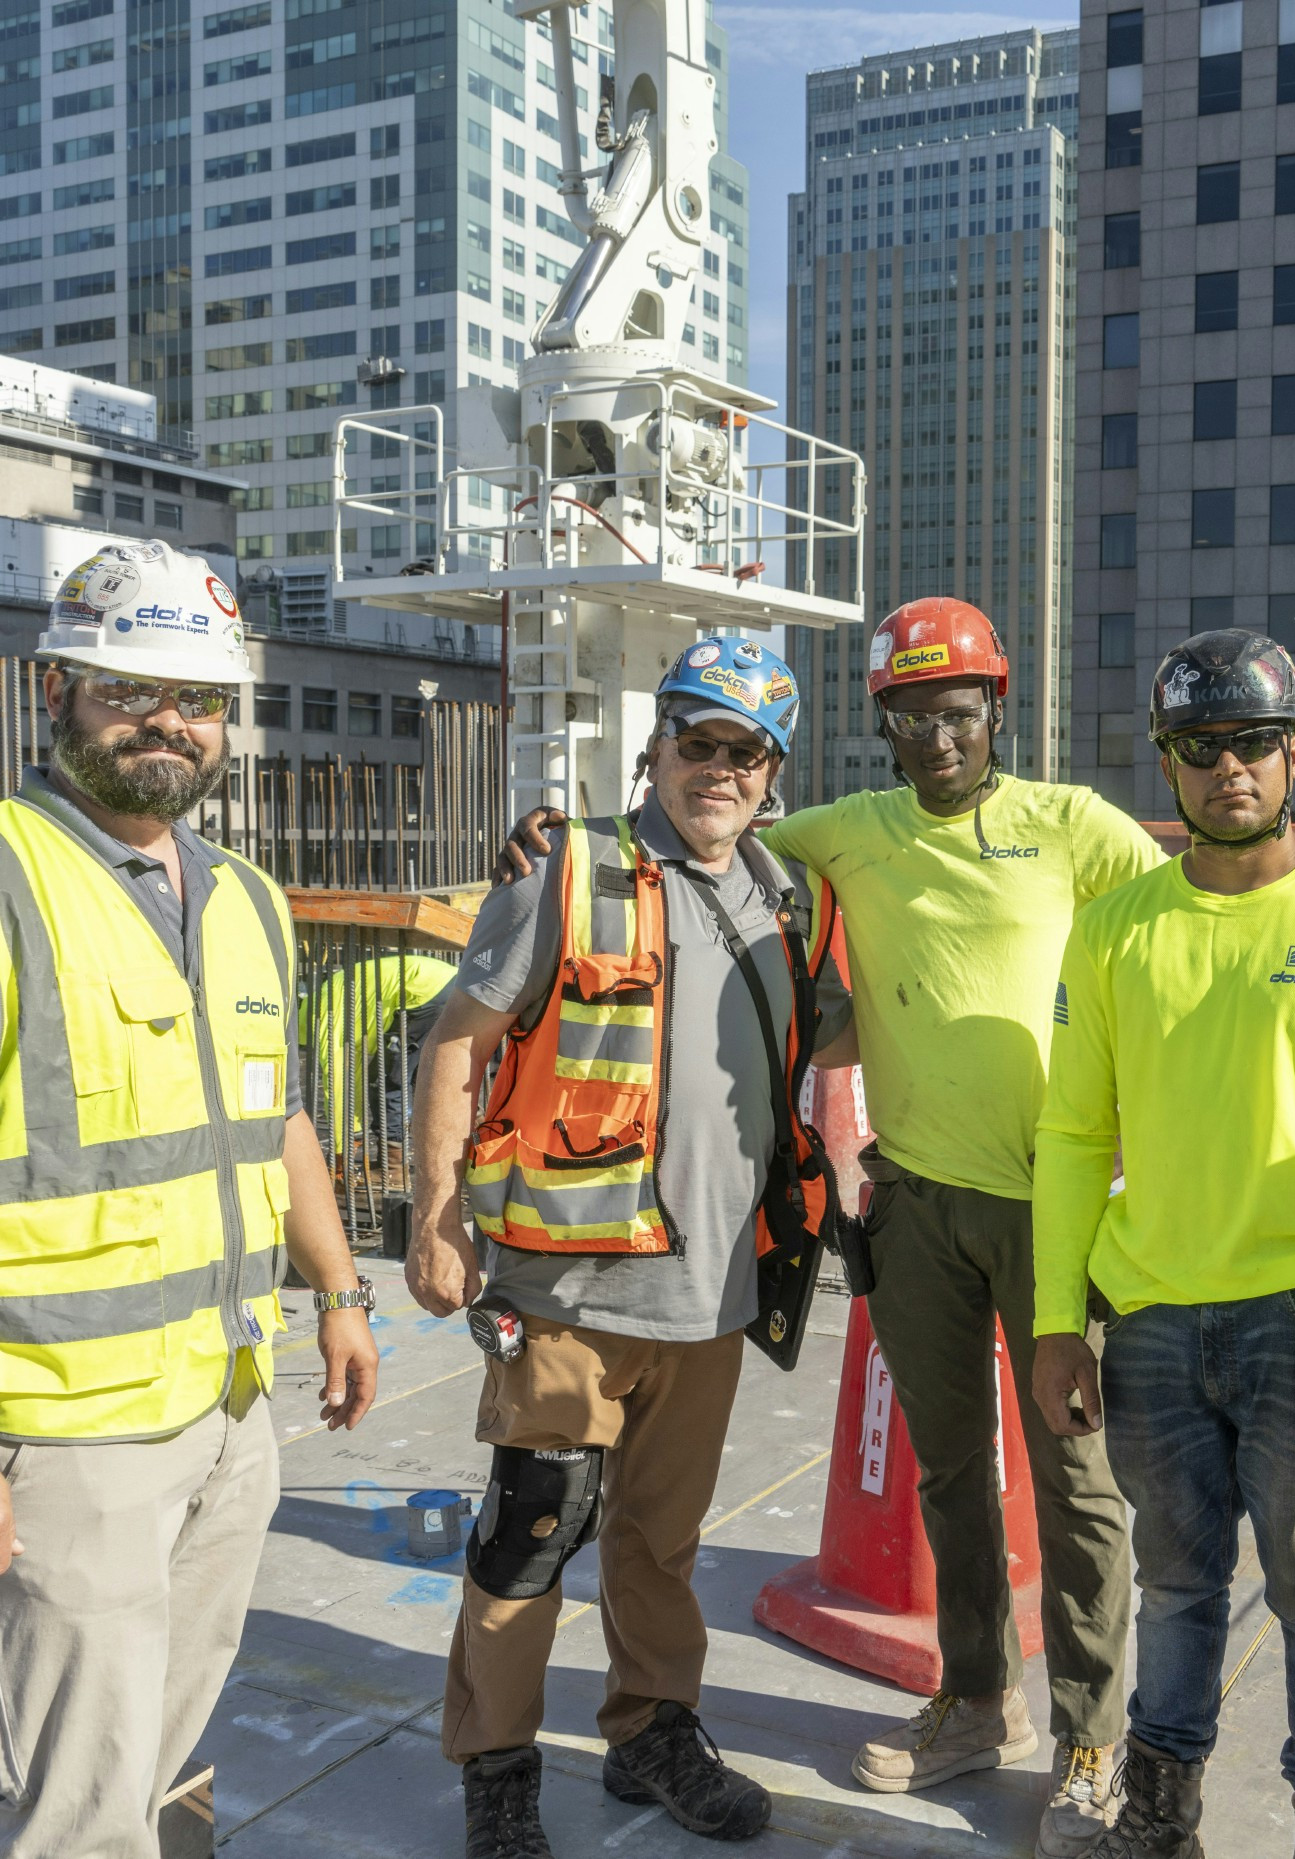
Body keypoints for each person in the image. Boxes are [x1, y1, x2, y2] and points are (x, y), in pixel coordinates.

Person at [504, 600, 1164, 1859]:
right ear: (885, 727)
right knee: (951, 1470)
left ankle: (1093, 1733)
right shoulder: (849, 834)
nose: (938, 736)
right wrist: (563, 837)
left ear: (995, 711)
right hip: (913, 1202)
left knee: (1077, 1483)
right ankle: (977, 1697)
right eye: (912, 716)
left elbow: (1186, 916)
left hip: (1058, 1203)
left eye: (958, 711)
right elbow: (700, 825)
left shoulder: (1073, 827)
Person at [0, 540, 380, 1859]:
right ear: (56, 690)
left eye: (199, 696)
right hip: (62, 1443)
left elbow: (279, 1120)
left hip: (225, 1412)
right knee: (71, 1817)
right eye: (128, 686)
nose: (168, 719)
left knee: (163, 1772)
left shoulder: (247, 900)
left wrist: (338, 1291)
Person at [406, 637, 851, 1859]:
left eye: (744, 751)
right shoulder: (569, 869)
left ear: (774, 772)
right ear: (656, 745)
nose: (717, 768)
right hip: (569, 1288)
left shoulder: (793, 897)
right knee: (533, 1531)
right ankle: (497, 1770)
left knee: (662, 1541)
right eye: (696, 741)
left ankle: (652, 1731)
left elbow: (845, 1050)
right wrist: (435, 1212)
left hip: (710, 1292)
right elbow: (457, 1039)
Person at [1033, 629, 1295, 1859]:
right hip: (1155, 1328)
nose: (1230, 766)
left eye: (1254, 741)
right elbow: (1073, 1135)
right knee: (1175, 1589)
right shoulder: (1116, 929)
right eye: (1200, 745)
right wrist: (1059, 1322)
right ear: (1167, 766)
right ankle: (1158, 1816)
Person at [304, 949, 458, 1161]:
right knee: (426, 1075)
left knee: (387, 1079)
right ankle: (476, 1130)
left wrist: (343, 1147)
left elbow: (338, 1081)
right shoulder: (333, 994)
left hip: (423, 991)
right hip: (450, 981)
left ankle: (393, 1168)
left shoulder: (324, 1016)